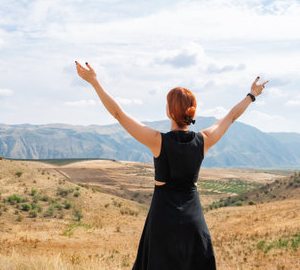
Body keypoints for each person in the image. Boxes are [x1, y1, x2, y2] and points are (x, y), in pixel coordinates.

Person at [75, 61, 268, 270]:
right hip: (193, 220)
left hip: (162, 220)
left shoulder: (158, 141)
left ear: (169, 111)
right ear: (191, 113)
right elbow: (231, 117)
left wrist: (95, 82)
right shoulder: (204, 140)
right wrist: (251, 95)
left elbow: (118, 114)